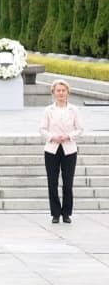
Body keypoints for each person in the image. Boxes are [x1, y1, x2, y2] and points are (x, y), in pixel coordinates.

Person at [39, 79, 84, 223]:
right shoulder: (48, 110)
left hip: (69, 149)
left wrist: (68, 136)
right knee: (52, 182)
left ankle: (66, 213)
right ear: (53, 92)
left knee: (68, 182)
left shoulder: (74, 110)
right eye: (58, 90)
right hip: (52, 149)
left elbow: (80, 129)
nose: (61, 93)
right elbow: (42, 129)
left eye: (63, 90)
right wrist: (52, 137)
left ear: (68, 92)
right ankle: (55, 213)